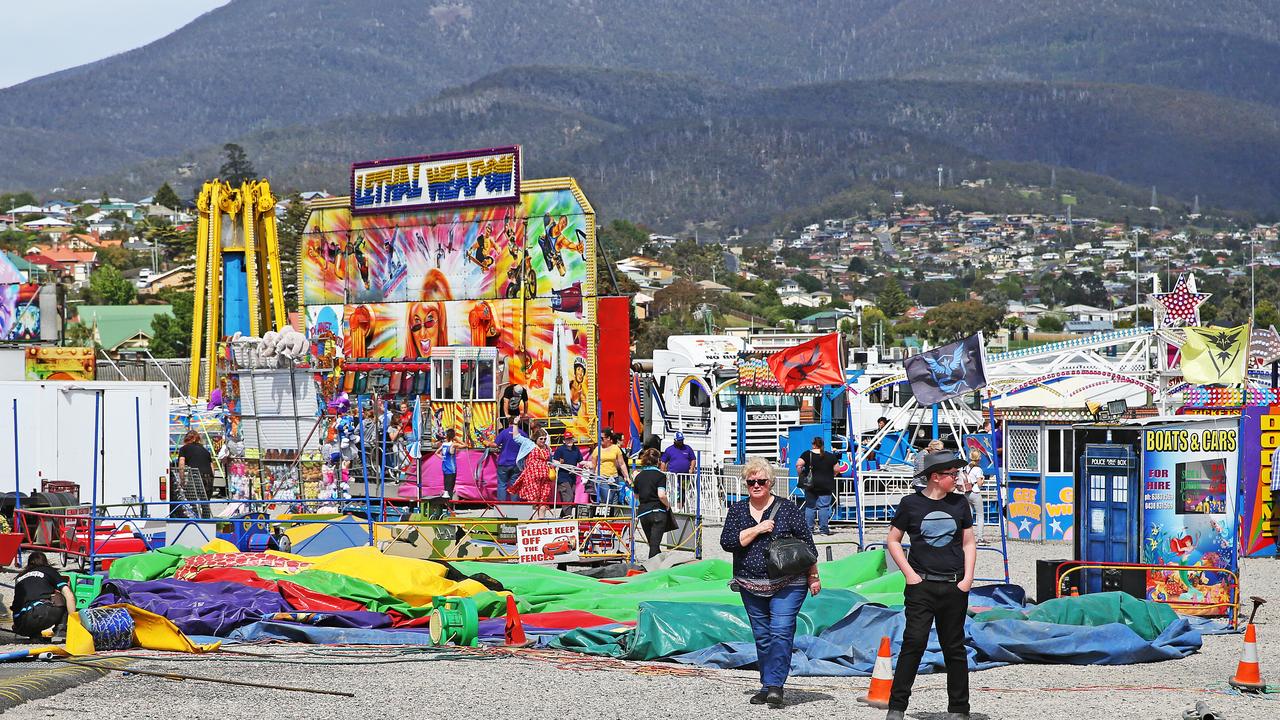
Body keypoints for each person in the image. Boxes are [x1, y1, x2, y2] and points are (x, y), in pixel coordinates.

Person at [719, 456, 820, 709]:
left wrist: (813, 575)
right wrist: (758, 529)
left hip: (789, 582)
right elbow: (728, 542)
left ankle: (776, 686)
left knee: (781, 631)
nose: (756, 485)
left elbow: (808, 546)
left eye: (761, 480)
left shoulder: (787, 509)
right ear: (745, 483)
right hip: (750, 584)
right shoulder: (737, 511)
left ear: (770, 482)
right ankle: (767, 684)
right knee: (762, 636)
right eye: (751, 481)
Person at [885, 451, 977, 720]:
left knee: (954, 647)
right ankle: (897, 706)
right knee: (913, 642)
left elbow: (968, 542)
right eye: (952, 474)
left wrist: (967, 579)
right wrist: (910, 575)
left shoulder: (960, 504)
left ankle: (959, 709)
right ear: (936, 477)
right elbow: (892, 540)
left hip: (954, 585)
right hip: (921, 586)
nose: (957, 478)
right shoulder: (910, 504)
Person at [10, 551, 75, 641]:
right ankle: (61, 631)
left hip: (20, 623)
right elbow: (69, 595)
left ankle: (34, 635)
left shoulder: (19, 577)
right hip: (42, 613)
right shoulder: (49, 571)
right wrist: (74, 622)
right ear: (45, 562)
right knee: (62, 597)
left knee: (31, 601)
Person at [633, 448, 672, 558]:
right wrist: (667, 504)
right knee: (654, 546)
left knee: (653, 544)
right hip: (657, 512)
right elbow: (661, 495)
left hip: (644, 513)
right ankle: (652, 570)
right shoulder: (660, 475)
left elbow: (636, 496)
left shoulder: (638, 476)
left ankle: (658, 564)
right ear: (658, 460)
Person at [796, 437, 838, 535]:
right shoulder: (830, 456)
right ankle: (823, 530)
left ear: (813, 444)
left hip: (810, 484)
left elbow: (798, 465)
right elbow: (837, 469)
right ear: (822, 444)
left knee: (810, 506)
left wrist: (801, 475)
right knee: (824, 507)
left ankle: (809, 530)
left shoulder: (807, 454)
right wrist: (832, 475)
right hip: (826, 484)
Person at [511, 431, 554, 519]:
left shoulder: (547, 448)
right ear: (536, 439)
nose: (543, 441)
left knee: (544, 500)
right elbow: (516, 437)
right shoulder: (529, 444)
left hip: (545, 477)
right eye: (541, 439)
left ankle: (541, 520)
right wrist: (515, 423)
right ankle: (529, 519)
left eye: (544, 439)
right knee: (533, 499)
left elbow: (550, 460)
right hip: (532, 476)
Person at [588, 431, 629, 505]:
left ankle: (610, 515)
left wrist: (627, 476)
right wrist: (592, 476)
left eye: (602, 438)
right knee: (607, 498)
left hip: (614, 477)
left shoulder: (615, 448)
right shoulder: (597, 449)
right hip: (601, 477)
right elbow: (593, 465)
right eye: (599, 438)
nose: (600, 440)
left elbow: (622, 463)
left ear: (608, 438)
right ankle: (605, 514)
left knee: (613, 499)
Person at [177, 430, 216, 499]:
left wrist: (182, 479)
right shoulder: (205, 450)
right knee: (205, 502)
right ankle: (205, 509)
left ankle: (194, 509)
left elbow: (181, 464)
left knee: (192, 498)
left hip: (196, 475)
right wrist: (212, 479)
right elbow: (212, 468)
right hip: (208, 477)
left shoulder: (184, 449)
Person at [493, 416, 524, 501]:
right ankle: (515, 506)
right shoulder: (522, 433)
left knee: (502, 484)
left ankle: (502, 506)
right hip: (517, 463)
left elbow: (495, 444)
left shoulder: (504, 432)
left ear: (509, 423)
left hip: (504, 462)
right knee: (514, 484)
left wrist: (487, 443)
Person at [551, 432, 583, 507]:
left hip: (572, 476)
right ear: (564, 441)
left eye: (571, 439)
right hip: (563, 476)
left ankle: (564, 515)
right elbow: (555, 461)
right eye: (567, 439)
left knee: (570, 496)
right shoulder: (560, 450)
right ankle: (567, 515)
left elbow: (580, 461)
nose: (570, 441)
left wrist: (588, 463)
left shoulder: (576, 449)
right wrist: (560, 463)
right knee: (568, 496)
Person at [962, 449, 986, 543]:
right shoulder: (978, 469)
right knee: (980, 516)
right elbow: (979, 484)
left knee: (969, 515)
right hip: (975, 492)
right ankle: (979, 538)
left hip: (966, 492)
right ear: (979, 458)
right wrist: (982, 480)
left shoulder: (966, 467)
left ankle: (967, 537)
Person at [439, 428, 458, 499]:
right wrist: (457, 439)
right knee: (449, 490)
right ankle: (448, 506)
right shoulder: (453, 445)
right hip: (451, 469)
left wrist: (443, 458)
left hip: (445, 468)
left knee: (446, 489)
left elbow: (436, 453)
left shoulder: (444, 444)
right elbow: (465, 445)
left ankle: (447, 507)